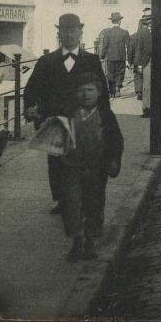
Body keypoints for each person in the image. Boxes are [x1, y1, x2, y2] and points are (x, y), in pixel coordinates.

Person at [23, 13, 110, 214]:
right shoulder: (47, 61)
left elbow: (102, 91)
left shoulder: (92, 60)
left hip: (84, 121)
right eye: (65, 31)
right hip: (55, 122)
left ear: (80, 32)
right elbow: (31, 88)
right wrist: (30, 108)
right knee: (57, 164)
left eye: (73, 31)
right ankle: (63, 200)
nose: (69, 35)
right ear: (59, 33)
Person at [60, 71, 123, 260]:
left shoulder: (106, 115)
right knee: (71, 204)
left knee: (93, 205)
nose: (85, 94)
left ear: (99, 92)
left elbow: (115, 140)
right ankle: (76, 241)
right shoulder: (69, 114)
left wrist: (114, 159)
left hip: (96, 169)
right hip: (72, 168)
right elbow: (58, 137)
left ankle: (89, 241)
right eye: (81, 90)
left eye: (90, 90)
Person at [98, 12, 129, 98]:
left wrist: (102, 57)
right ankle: (118, 87)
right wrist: (129, 59)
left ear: (112, 21)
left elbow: (104, 47)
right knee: (120, 72)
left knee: (110, 73)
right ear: (119, 21)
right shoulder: (125, 32)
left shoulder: (107, 33)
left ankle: (111, 92)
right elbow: (128, 46)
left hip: (110, 57)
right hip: (121, 56)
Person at [129, 15, 152, 109]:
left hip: (153, 62)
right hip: (145, 62)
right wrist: (139, 63)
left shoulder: (134, 35)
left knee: (139, 78)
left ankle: (139, 92)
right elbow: (138, 49)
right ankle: (146, 108)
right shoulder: (142, 33)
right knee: (147, 86)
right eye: (149, 22)